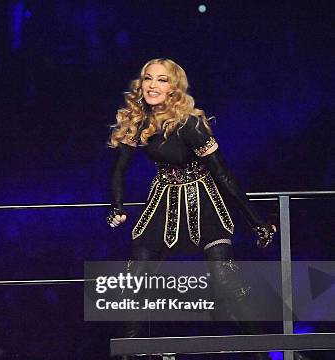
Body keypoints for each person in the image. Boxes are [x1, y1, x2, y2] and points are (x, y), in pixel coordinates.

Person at [107, 58, 275, 340]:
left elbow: (224, 175)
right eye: (148, 78)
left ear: (174, 88)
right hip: (162, 202)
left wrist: (256, 221)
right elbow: (118, 170)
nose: (152, 85)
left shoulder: (190, 125)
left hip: (204, 203)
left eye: (161, 79)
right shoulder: (138, 122)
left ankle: (263, 358)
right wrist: (117, 207)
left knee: (226, 283)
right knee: (137, 281)